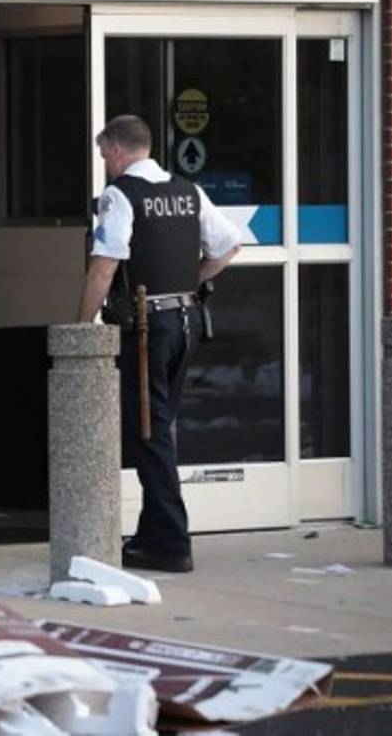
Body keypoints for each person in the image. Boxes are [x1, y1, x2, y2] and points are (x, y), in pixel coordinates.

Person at [77, 115, 242, 573]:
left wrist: (80, 326)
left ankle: (170, 542)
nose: (104, 164)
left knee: (148, 432)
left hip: (147, 327)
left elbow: (104, 267)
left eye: (103, 155)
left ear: (115, 150)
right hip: (186, 321)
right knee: (160, 425)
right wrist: (191, 281)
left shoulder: (121, 195)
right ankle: (152, 534)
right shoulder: (188, 191)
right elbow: (229, 246)